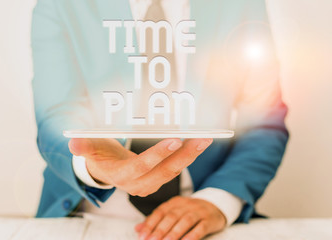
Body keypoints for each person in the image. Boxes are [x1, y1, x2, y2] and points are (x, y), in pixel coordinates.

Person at [31, 0, 288, 239]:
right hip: (86, 212)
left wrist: (217, 199)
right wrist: (94, 166)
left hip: (202, 211)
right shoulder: (61, 5)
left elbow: (265, 124)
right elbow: (55, 118)